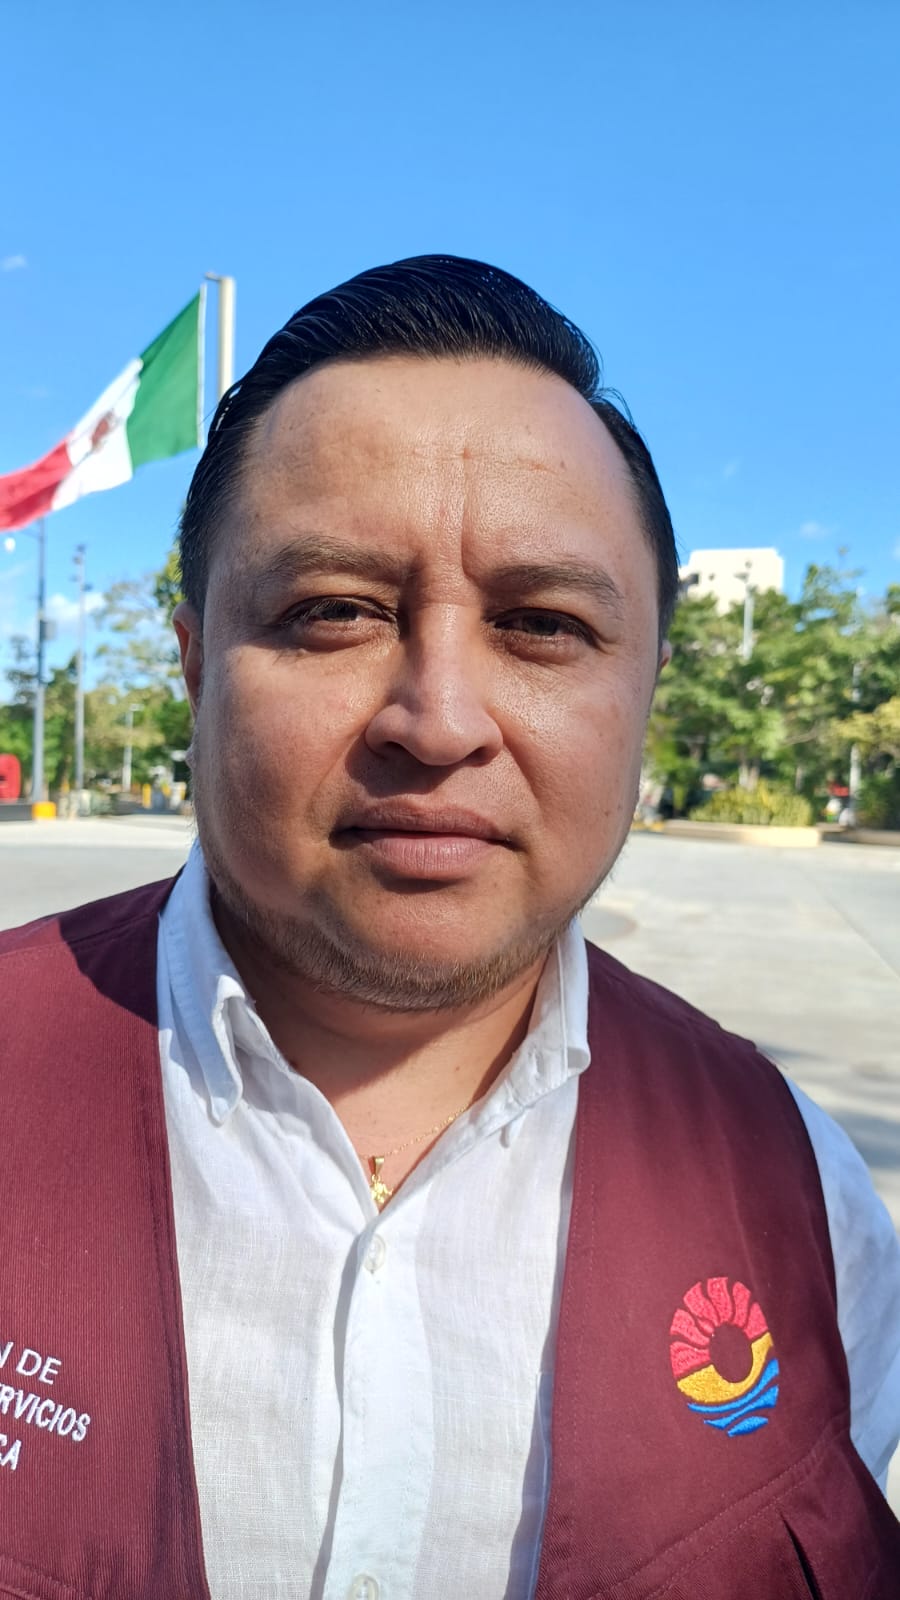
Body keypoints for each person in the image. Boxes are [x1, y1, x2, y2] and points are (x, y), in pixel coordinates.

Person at [2, 256, 899, 1599]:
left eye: (542, 625)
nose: (437, 721)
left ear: (647, 690)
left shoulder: (798, 1193)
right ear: (193, 666)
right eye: (332, 613)